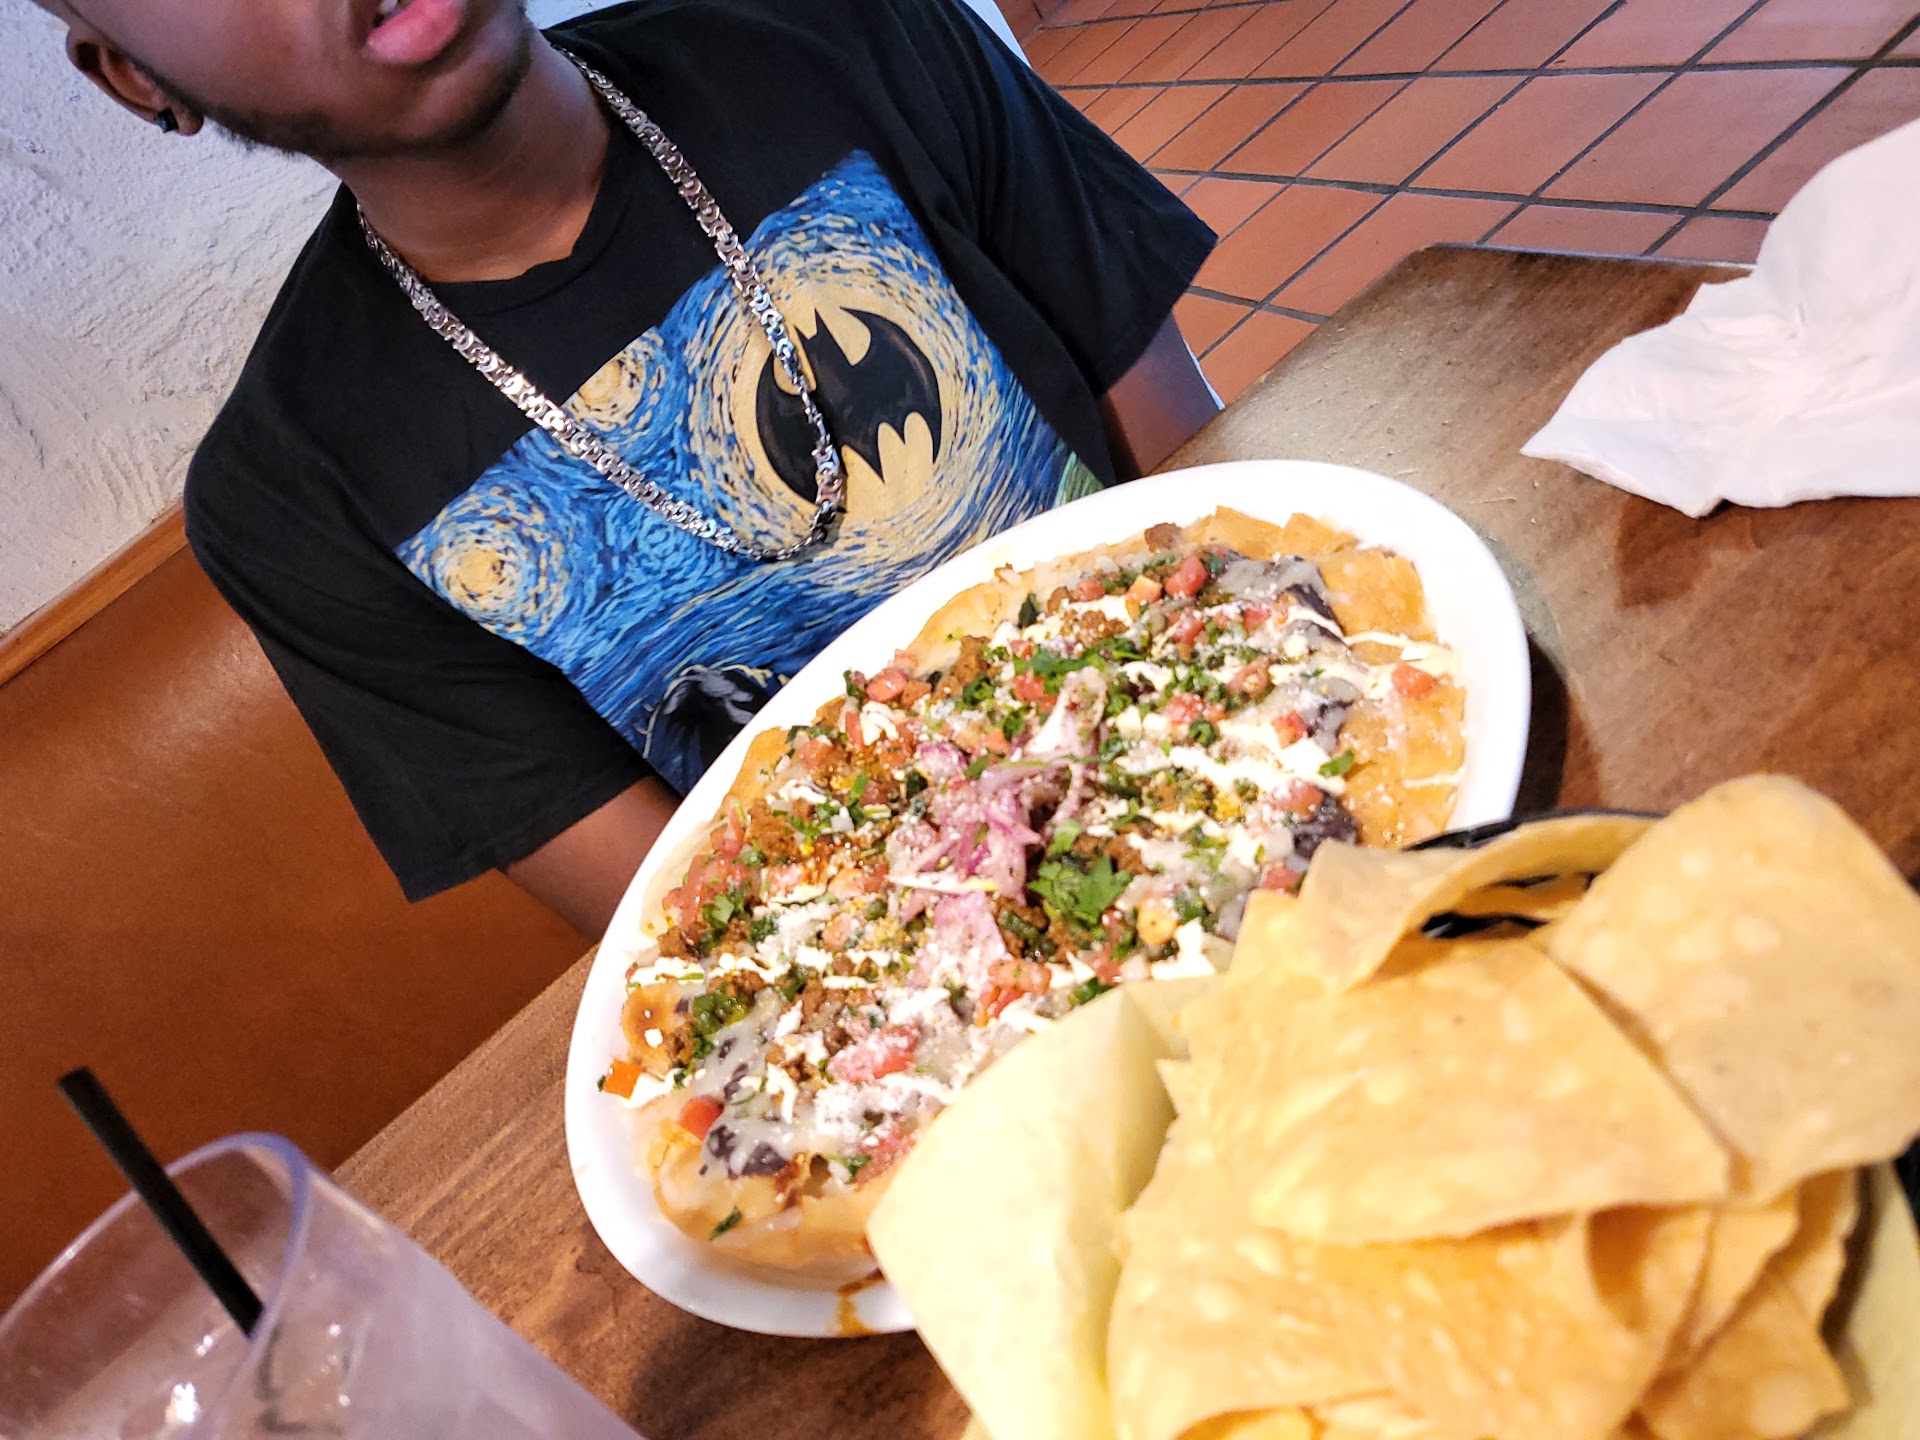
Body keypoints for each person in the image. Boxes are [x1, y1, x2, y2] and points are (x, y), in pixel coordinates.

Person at [46, 0, 1219, 932]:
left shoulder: (848, 32)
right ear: (136, 77)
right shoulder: (292, 500)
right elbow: (698, 929)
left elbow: (1220, 500)